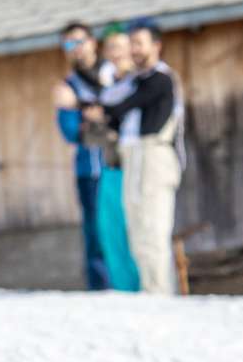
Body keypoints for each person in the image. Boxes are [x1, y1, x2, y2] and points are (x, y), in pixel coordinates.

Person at [100, 17, 182, 295]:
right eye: (130, 44)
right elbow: (112, 108)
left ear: (156, 45)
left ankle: (160, 291)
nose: (133, 50)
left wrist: (106, 111)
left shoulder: (160, 78)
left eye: (138, 43)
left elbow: (120, 107)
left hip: (154, 154)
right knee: (135, 225)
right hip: (133, 156)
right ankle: (149, 289)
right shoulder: (134, 81)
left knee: (153, 227)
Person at [52, 22, 113, 290]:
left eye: (80, 41)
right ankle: (101, 290)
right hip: (92, 170)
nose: (76, 49)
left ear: (93, 42)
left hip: (124, 165)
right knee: (96, 233)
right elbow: (73, 133)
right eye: (69, 44)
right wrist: (99, 120)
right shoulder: (68, 86)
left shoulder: (114, 73)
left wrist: (92, 113)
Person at [81, 25, 141, 291]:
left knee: (137, 229)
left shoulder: (140, 83)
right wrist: (99, 123)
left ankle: (145, 286)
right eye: (111, 48)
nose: (116, 53)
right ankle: (123, 288)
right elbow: (90, 137)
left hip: (136, 165)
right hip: (111, 165)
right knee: (110, 230)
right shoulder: (105, 88)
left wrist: (104, 121)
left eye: (120, 46)